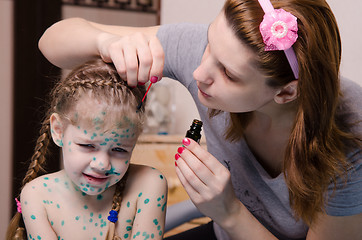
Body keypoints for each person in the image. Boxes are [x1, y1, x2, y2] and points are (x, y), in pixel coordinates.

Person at [38, 0, 362, 239]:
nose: (198, 72)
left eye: (228, 74)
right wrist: (105, 43)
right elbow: (53, 41)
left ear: (286, 93)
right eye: (209, 44)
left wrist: (229, 211)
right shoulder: (203, 54)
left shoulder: (351, 131)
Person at [6, 59, 168, 240]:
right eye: (88, 146)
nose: (102, 164)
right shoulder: (37, 195)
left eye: (119, 149)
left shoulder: (148, 184)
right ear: (58, 131)